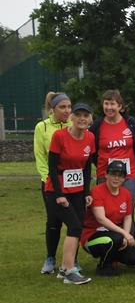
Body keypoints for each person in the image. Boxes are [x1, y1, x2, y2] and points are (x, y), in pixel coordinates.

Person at [45, 103, 94, 284]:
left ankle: (66, 267)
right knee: (74, 226)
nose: (82, 118)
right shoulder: (59, 136)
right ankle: (68, 270)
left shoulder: (90, 137)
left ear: (90, 119)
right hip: (57, 190)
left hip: (78, 191)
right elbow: (51, 166)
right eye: (78, 115)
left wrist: (87, 191)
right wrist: (59, 194)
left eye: (86, 115)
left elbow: (87, 166)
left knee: (77, 227)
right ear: (71, 117)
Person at [89, 90, 135, 250]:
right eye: (106, 103)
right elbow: (92, 151)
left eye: (112, 104)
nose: (109, 107)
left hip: (128, 175)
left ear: (120, 106)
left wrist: (125, 169)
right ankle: (110, 245)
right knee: (107, 212)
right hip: (105, 175)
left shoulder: (130, 123)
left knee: (127, 211)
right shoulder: (97, 125)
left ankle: (129, 244)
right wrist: (104, 168)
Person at [81, 160, 135, 276]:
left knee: (133, 258)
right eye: (113, 174)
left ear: (124, 179)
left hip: (114, 234)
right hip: (92, 235)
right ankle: (104, 266)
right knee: (116, 239)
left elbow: (128, 217)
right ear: (106, 175)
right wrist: (124, 234)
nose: (116, 178)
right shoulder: (97, 191)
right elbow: (101, 219)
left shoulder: (126, 193)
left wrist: (125, 236)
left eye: (120, 176)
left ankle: (112, 258)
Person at [36, 92, 73, 274]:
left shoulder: (74, 125)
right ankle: (50, 258)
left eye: (68, 107)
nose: (67, 111)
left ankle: (72, 260)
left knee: (74, 221)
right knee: (53, 221)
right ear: (53, 109)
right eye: (62, 107)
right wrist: (47, 179)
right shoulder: (42, 127)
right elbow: (41, 157)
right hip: (51, 183)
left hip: (73, 182)